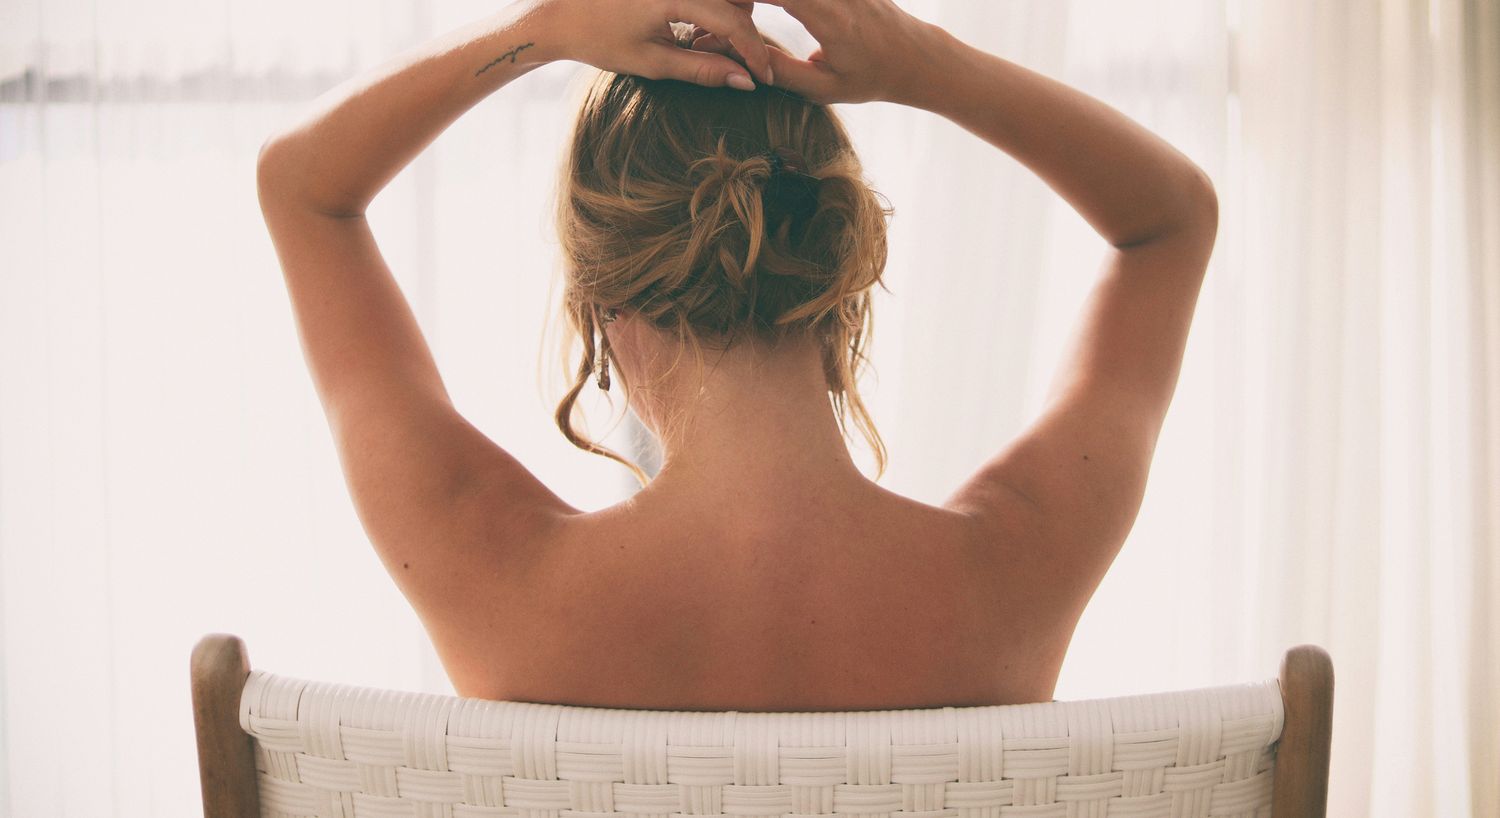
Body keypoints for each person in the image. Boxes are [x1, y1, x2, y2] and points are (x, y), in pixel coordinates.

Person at [255, 0, 1218, 712]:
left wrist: (544, 27)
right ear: (845, 275)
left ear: (601, 307)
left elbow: (301, 186)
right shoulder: (1014, 571)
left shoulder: (492, 569)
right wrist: (929, 65)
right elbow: (1170, 220)